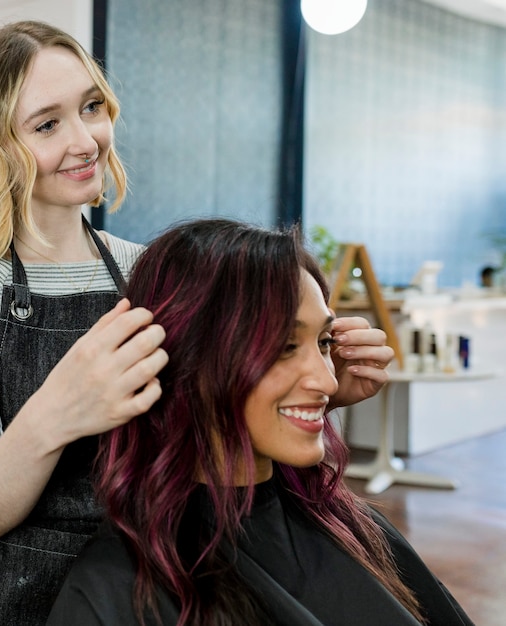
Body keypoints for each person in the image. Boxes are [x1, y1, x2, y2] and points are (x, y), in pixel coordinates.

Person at [0, 21, 393, 626]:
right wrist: (60, 410)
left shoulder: (144, 269)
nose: (86, 139)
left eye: (92, 107)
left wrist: (319, 385)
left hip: (145, 593)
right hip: (2, 606)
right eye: (47, 124)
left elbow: (207, 430)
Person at [47, 219, 473, 626]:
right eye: (285, 345)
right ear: (191, 359)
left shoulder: (349, 526)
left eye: (323, 342)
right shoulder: (115, 591)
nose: (328, 380)